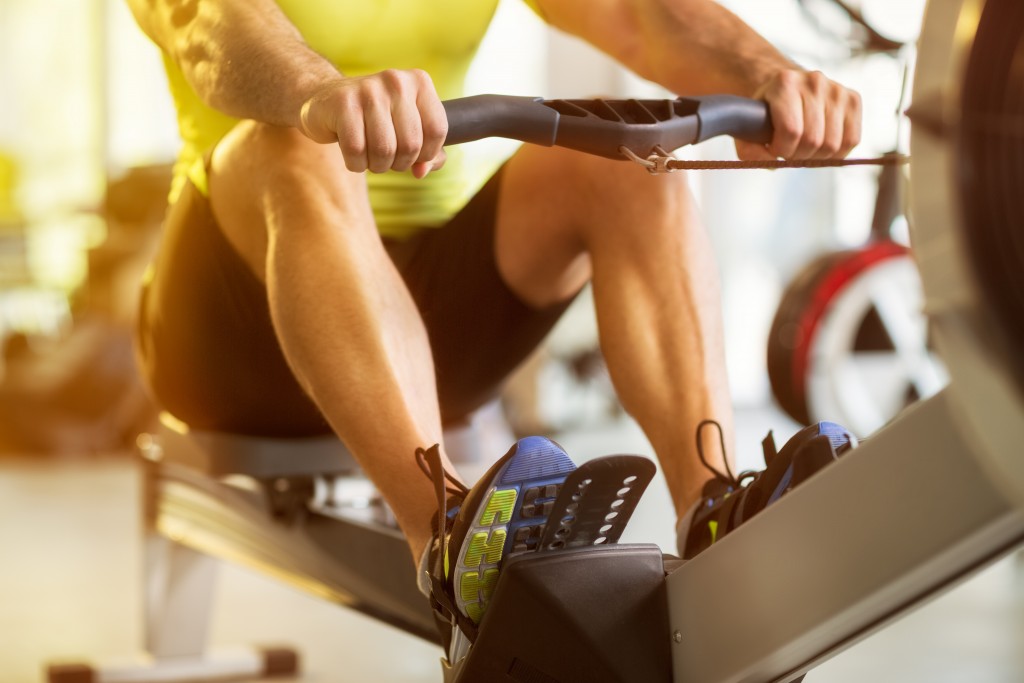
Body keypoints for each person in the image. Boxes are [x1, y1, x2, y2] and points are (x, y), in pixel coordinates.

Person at [126, 0, 862, 661]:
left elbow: (642, 15)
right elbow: (208, 27)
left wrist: (768, 75)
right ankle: (451, 546)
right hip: (229, 331)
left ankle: (714, 514)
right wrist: (316, 90)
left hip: (423, 324)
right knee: (295, 144)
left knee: (629, 156)